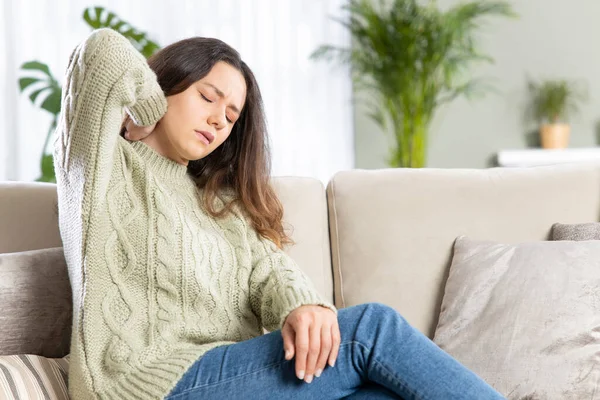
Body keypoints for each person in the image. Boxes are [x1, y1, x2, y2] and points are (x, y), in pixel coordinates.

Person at [54, 28, 504, 400]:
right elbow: (100, 52)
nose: (218, 121)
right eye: (208, 97)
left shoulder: (216, 203)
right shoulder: (103, 163)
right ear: (168, 83)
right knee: (372, 328)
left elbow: (269, 271)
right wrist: (144, 110)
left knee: (380, 395)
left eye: (231, 116)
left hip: (224, 377)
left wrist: (303, 304)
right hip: (142, 384)